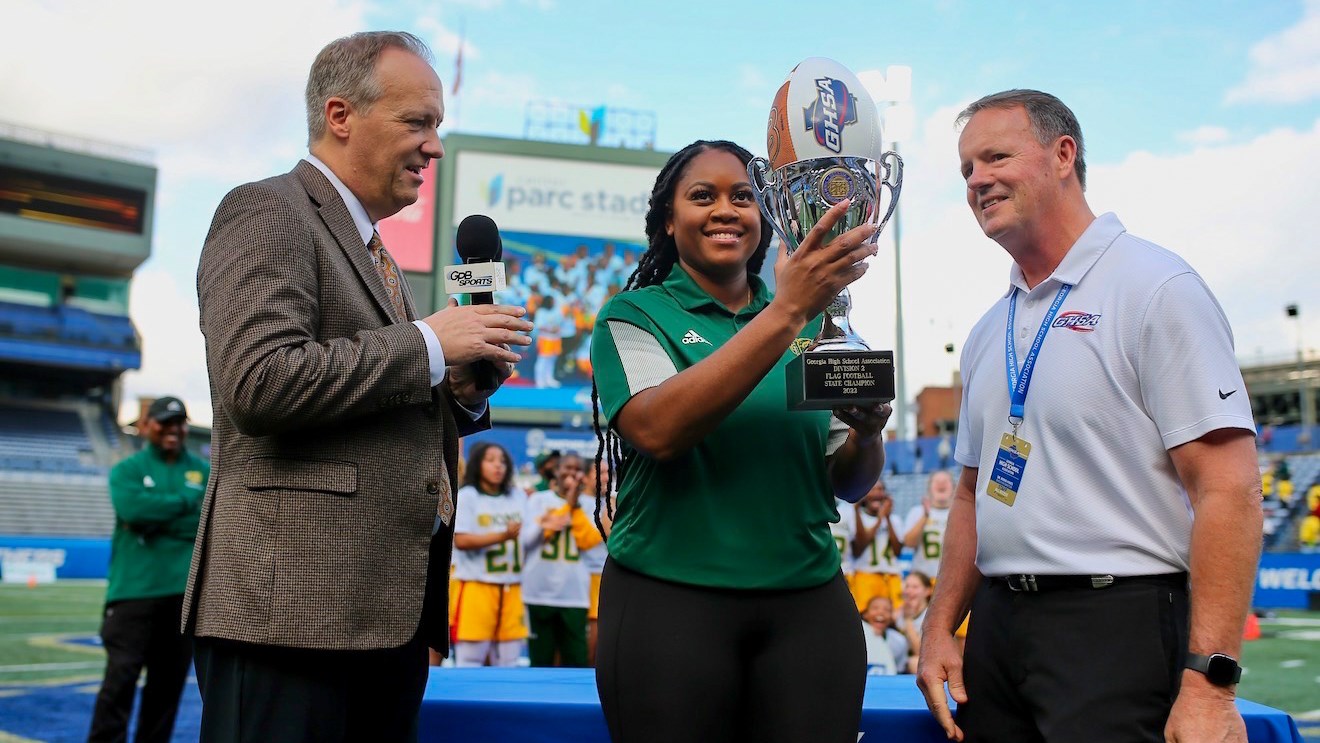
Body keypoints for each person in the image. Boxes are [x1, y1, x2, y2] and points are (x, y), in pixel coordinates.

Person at [186, 31, 531, 742]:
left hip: (380, 615)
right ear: (340, 115)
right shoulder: (267, 209)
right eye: (418, 122)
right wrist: (429, 343)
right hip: (289, 617)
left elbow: (371, 403)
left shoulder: (376, 253)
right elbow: (258, 381)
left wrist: (458, 389)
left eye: (437, 125)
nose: (435, 147)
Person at [916, 90, 1262, 743]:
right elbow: (969, 492)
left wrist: (1210, 684)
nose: (977, 179)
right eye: (966, 168)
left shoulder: (1156, 288)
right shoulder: (990, 330)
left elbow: (1228, 486)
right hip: (997, 628)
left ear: (1063, 155)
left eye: (996, 157)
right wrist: (939, 627)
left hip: (1116, 623)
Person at [588, 140, 892, 743]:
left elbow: (849, 482)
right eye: (702, 196)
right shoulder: (633, 316)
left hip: (807, 605)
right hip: (668, 604)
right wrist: (784, 314)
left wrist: (867, 434)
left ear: (767, 215)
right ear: (668, 220)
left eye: (744, 197)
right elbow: (658, 431)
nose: (725, 210)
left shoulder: (816, 325)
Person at [88, 396, 208, 743]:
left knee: (166, 689)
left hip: (183, 597)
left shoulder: (204, 471)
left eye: (179, 422)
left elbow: (206, 525)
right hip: (133, 593)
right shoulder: (127, 469)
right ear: (145, 426)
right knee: (119, 682)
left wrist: (158, 519)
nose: (173, 429)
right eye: (164, 422)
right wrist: (186, 503)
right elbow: (134, 511)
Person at [450, 442, 527, 667]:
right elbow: (461, 540)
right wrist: (503, 536)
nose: (498, 466)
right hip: (477, 585)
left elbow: (528, 537)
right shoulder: (468, 496)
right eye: (490, 460)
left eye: (502, 461)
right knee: (470, 660)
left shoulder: (518, 496)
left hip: (513, 587)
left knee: (510, 662)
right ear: (477, 464)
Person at [521, 452, 599, 667]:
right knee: (540, 661)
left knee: (576, 661)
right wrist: (545, 525)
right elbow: (527, 541)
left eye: (577, 469)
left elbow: (588, 542)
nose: (572, 473)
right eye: (567, 467)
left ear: (584, 476)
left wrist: (573, 505)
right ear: (556, 471)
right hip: (538, 592)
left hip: (575, 594)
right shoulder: (538, 499)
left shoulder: (589, 505)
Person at [850, 479, 904, 612]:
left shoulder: (895, 519)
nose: (876, 493)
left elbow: (897, 551)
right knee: (864, 613)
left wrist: (888, 518)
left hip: (891, 576)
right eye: (872, 489)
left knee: (896, 615)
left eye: (880, 489)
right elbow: (858, 549)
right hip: (866, 575)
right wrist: (880, 520)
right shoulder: (857, 517)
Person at [861, 595, 910, 676]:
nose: (881, 612)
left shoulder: (899, 641)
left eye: (886, 610)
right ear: (865, 614)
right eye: (875, 608)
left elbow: (899, 669)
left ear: (891, 617)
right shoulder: (854, 637)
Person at [897, 570, 933, 674]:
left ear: (927, 591)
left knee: (915, 662)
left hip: (925, 662)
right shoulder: (897, 613)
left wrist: (908, 620)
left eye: (915, 587)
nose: (909, 591)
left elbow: (920, 652)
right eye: (907, 586)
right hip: (901, 661)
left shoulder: (931, 615)